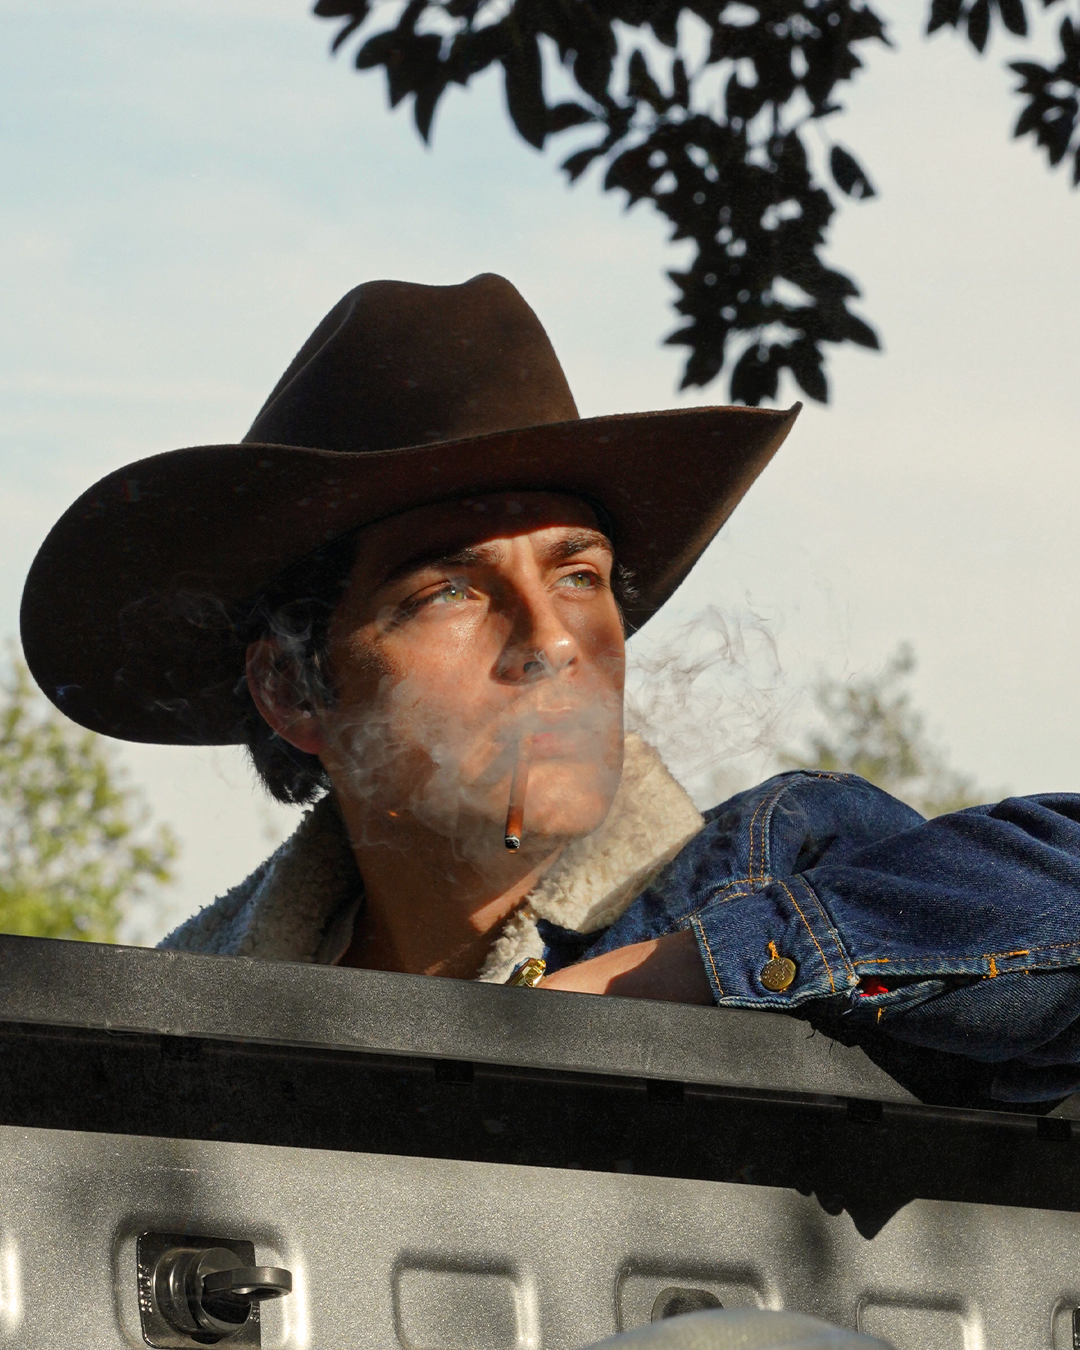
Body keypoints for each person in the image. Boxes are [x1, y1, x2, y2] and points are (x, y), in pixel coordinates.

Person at [20, 273, 1080, 1107]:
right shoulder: (180, 1014)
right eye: (448, 590)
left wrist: (663, 981)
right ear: (293, 687)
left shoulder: (769, 867)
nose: (550, 640)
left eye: (577, 575)